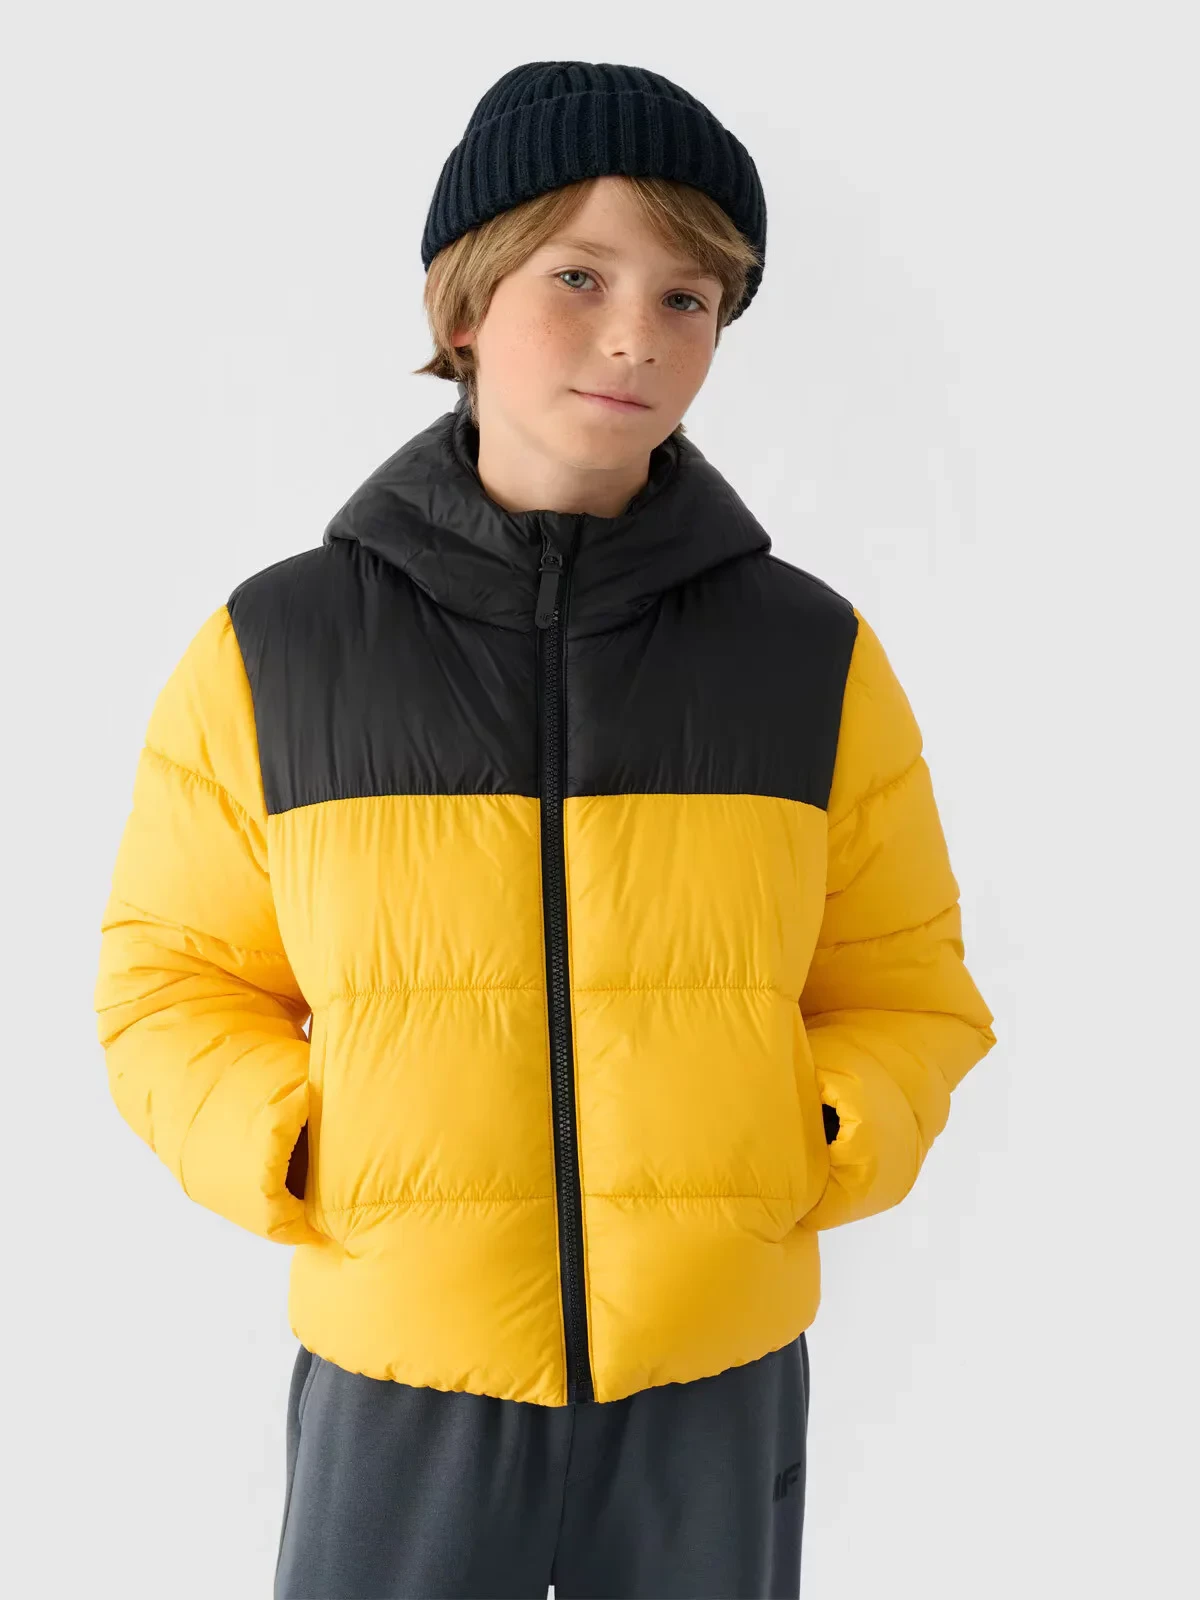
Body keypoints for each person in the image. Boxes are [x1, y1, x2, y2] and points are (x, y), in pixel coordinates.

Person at [93, 59, 997, 1600]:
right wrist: (303, 1149)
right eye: (580, 275)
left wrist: (807, 1140)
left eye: (689, 296)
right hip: (406, 1375)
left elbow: (908, 991)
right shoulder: (276, 650)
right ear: (464, 304)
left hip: (711, 1370)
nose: (637, 332)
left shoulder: (810, 659)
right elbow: (167, 986)